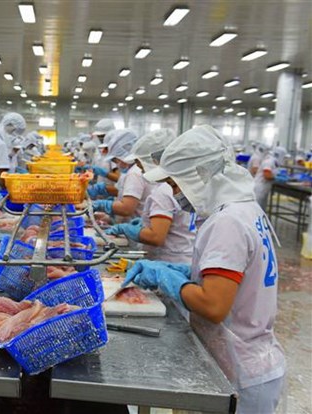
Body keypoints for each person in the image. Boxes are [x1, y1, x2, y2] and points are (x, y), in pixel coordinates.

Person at [125, 125, 285, 413]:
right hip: (251, 358)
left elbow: (214, 305)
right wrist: (186, 273)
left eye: (175, 185)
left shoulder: (228, 222)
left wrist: (167, 278)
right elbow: (237, 279)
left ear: (198, 176)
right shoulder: (245, 209)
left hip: (241, 369)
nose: (175, 194)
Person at [105, 129, 195, 263]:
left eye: (140, 164)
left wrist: (128, 229)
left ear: (153, 162)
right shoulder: (182, 185)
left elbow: (156, 237)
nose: (139, 169)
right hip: (185, 256)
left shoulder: (164, 192)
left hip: (168, 260)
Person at [92, 129, 152, 219]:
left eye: (116, 160)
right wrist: (109, 218)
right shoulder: (133, 171)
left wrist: (102, 205)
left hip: (134, 222)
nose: (117, 164)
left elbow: (126, 209)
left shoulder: (134, 173)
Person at [253, 146, 287, 211]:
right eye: (284, 157)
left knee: (261, 210)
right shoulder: (269, 161)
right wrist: (277, 178)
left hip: (264, 190)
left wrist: (279, 175)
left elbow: (272, 173)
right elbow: (267, 175)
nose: (284, 159)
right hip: (259, 189)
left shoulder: (274, 162)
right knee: (256, 210)